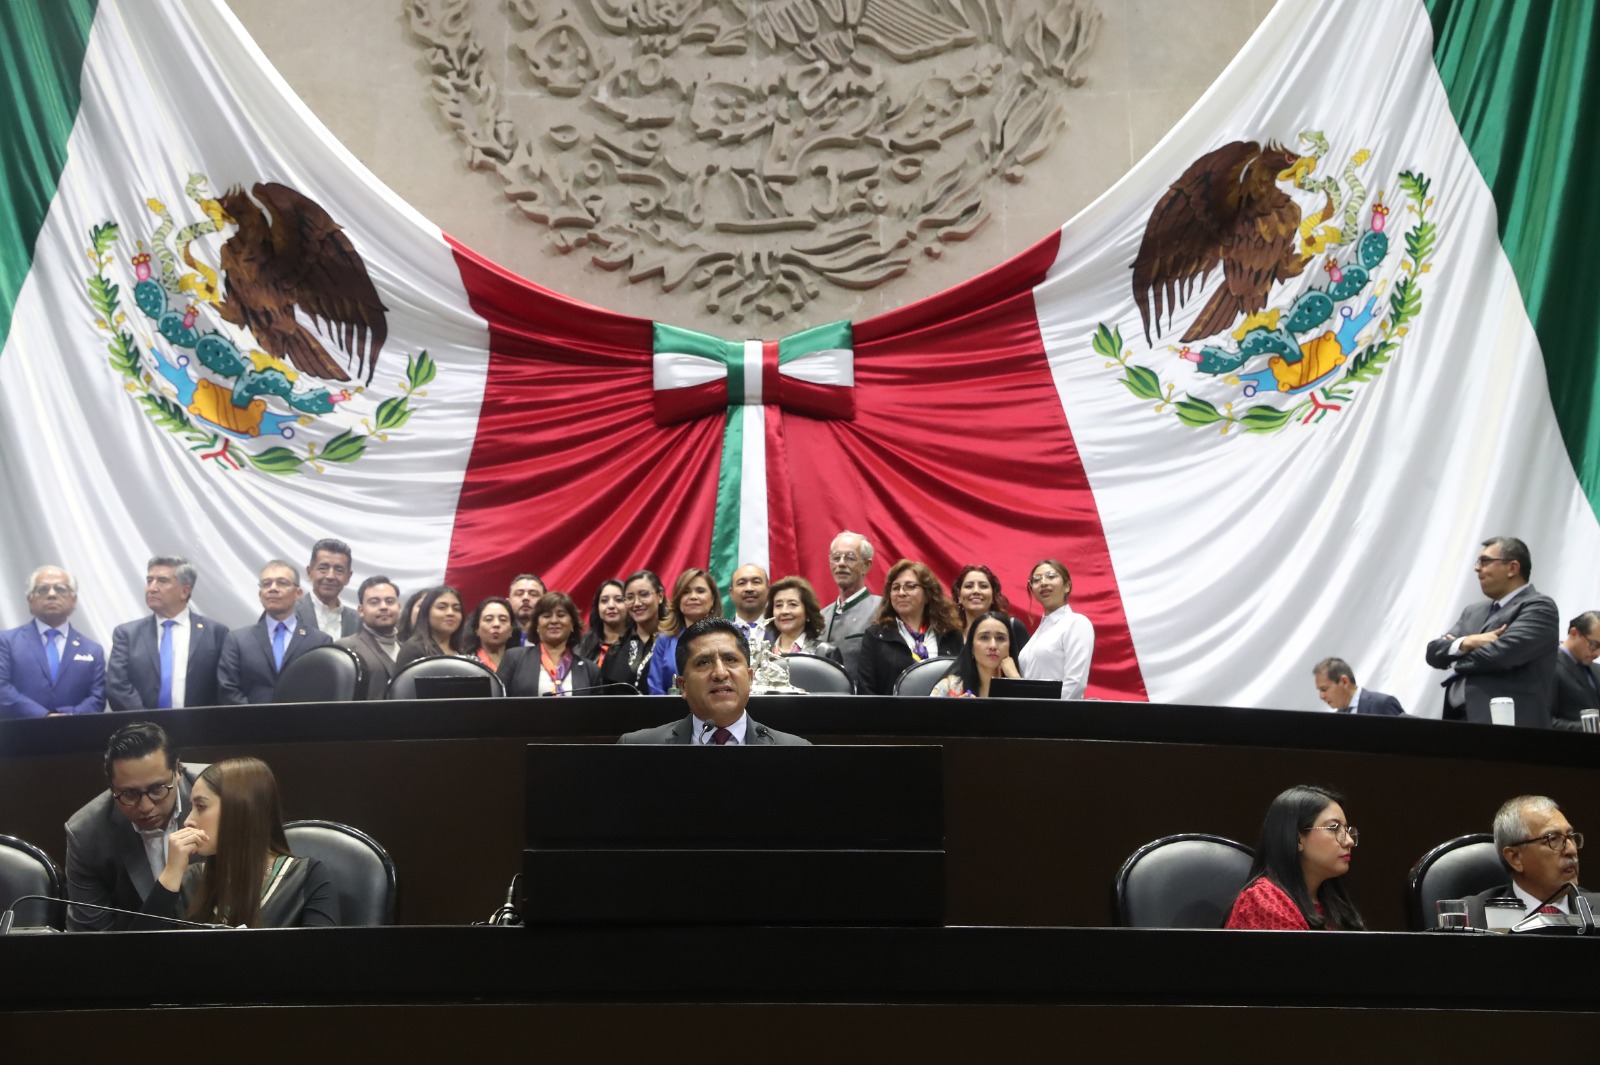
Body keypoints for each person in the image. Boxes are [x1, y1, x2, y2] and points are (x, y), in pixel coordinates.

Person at [140, 757, 339, 928]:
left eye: (200, 806)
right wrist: (171, 874)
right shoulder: (190, 880)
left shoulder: (307, 878)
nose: (188, 821)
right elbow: (136, 954)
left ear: (240, 810)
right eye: (191, 807)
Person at [63, 723, 207, 931]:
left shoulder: (220, 794)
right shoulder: (87, 834)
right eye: (130, 794)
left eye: (157, 788)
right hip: (136, 949)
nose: (146, 807)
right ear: (112, 787)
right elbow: (89, 938)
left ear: (177, 770)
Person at [1425, 536, 1558, 727]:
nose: (1477, 568)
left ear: (1512, 568)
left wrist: (1454, 655)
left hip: (1511, 724)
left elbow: (1500, 656)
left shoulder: (1539, 607)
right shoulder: (1473, 612)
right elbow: (1433, 653)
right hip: (1459, 721)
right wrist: (1468, 642)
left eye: (1485, 561)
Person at [618, 618, 810, 745]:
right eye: (704, 662)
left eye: (730, 659)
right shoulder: (638, 747)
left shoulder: (795, 750)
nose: (720, 673)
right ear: (683, 686)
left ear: (750, 678)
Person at [1225, 785, 1364, 931]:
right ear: (1297, 839)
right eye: (1333, 828)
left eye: (1346, 830)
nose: (1349, 841)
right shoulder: (1263, 899)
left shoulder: (1332, 901)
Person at [106, 555, 229, 711]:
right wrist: (147, 721)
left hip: (199, 724)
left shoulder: (215, 633)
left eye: (162, 581)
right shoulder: (127, 634)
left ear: (185, 591)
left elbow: (224, 686)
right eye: (149, 580)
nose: (152, 588)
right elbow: (117, 685)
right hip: (141, 724)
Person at [1465, 795, 1600, 927]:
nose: (1572, 850)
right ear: (1515, 858)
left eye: (1570, 837)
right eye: (1553, 839)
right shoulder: (1471, 918)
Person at [217, 560, 333, 704]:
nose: (273, 588)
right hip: (248, 718)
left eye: (282, 583)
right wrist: (254, 716)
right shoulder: (237, 640)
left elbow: (323, 690)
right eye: (266, 584)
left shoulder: (320, 642)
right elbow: (228, 689)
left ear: (298, 593)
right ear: (260, 595)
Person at [0, 565, 105, 718]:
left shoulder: (92, 650)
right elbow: (2, 688)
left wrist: (68, 716)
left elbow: (97, 698)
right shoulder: (6, 642)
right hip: (20, 730)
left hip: (74, 730)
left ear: (73, 599)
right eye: (43, 589)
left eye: (60, 589)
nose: (51, 594)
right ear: (30, 600)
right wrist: (43, 715)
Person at [857, 559, 963, 696]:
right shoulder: (876, 636)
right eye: (895, 588)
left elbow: (962, 681)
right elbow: (866, 690)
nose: (901, 593)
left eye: (910, 586)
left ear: (928, 594)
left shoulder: (950, 634)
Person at [1016, 558, 1094, 700]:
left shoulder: (1076, 623)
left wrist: (1049, 710)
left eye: (1051, 576)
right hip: (1032, 711)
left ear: (1067, 586)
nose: (1043, 583)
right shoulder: (1040, 631)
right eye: (1036, 579)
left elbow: (1075, 683)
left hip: (1058, 711)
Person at [500, 591, 602, 696]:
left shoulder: (590, 670)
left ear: (572, 624)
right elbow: (498, 701)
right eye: (547, 616)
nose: (554, 621)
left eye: (561, 615)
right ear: (537, 625)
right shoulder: (514, 659)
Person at [644, 568, 723, 695]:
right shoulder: (664, 639)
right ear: (678, 600)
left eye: (700, 591)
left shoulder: (725, 637)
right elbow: (655, 687)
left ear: (712, 599)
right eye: (685, 592)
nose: (693, 597)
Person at [821, 530, 882, 684]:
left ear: (866, 566)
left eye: (849, 558)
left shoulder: (881, 609)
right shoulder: (821, 617)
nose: (841, 564)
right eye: (836, 558)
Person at [336, 576, 403, 700]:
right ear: (361, 610)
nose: (383, 607)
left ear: (399, 607)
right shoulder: (345, 648)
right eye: (374, 602)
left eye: (390, 601)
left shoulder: (407, 649)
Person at [601, 570, 667, 693]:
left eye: (644, 594)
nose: (636, 603)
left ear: (660, 596)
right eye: (630, 597)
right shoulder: (615, 650)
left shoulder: (675, 643)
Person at [933, 611, 1022, 697]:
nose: (993, 646)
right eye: (984, 638)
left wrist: (1015, 678)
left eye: (1000, 638)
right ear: (971, 648)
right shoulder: (948, 687)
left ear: (1010, 646)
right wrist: (956, 706)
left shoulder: (1017, 680)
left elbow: (1028, 706)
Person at [951, 564, 1030, 658]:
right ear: (959, 597)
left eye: (983, 586)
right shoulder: (948, 635)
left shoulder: (1013, 628)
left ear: (993, 596)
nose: (976, 591)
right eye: (969, 586)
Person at [762, 576, 843, 663]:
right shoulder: (761, 654)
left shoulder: (825, 653)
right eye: (778, 605)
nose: (784, 611)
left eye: (792, 604)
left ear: (808, 612)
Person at [294, 538, 359, 639]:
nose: (330, 576)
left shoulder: (358, 621)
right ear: (309, 572)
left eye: (339, 570)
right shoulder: (290, 613)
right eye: (323, 568)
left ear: (348, 577)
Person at [1550, 611, 1600, 732]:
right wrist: (1591, 727)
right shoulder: (1549, 666)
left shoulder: (1597, 669)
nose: (1597, 653)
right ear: (1574, 633)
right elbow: (1544, 721)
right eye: (1594, 644)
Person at [396, 585, 467, 665]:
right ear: (426, 612)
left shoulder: (461, 650)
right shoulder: (413, 649)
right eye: (442, 607)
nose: (450, 613)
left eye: (456, 609)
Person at [1311, 657, 1405, 715]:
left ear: (1344, 681)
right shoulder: (1336, 718)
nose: (1321, 696)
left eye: (1324, 689)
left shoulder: (1382, 704)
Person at [575, 579, 627, 668]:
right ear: (597, 607)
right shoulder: (581, 645)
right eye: (604, 600)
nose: (611, 605)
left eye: (618, 600)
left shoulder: (639, 646)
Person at [465, 596, 516, 673]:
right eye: (488, 619)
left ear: (511, 630)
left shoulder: (519, 664)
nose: (496, 624)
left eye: (503, 620)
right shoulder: (467, 663)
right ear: (476, 629)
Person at [728, 563, 769, 644]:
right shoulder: (720, 633)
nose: (749, 589)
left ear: (768, 590)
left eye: (756, 582)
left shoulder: (782, 631)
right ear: (732, 593)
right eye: (742, 583)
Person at [508, 573, 546, 647]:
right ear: (508, 602)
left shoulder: (553, 638)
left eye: (533, 594)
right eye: (519, 594)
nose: (526, 598)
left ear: (545, 602)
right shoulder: (499, 638)